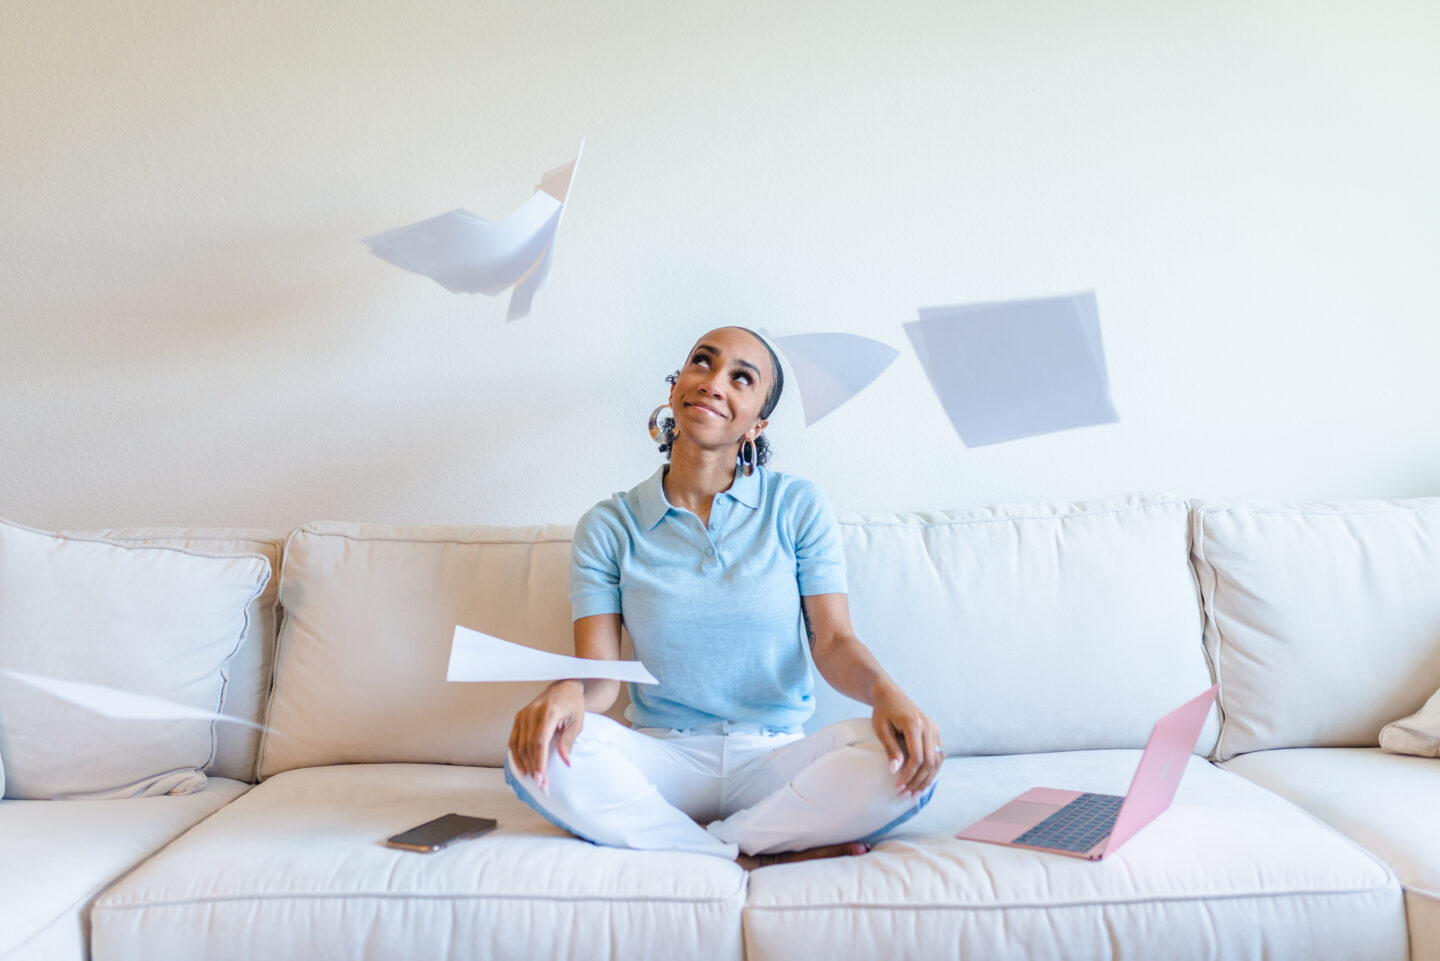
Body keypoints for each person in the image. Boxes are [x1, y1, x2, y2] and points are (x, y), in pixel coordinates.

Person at [504, 326, 942, 868]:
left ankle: (689, 842)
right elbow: (601, 678)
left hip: (775, 756)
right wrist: (568, 692)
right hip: (664, 755)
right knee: (539, 749)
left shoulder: (797, 506)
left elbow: (832, 642)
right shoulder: (609, 525)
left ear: (758, 421)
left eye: (741, 377)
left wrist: (885, 694)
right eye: (701, 363)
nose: (713, 382)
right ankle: (749, 850)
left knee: (896, 757)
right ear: (675, 389)